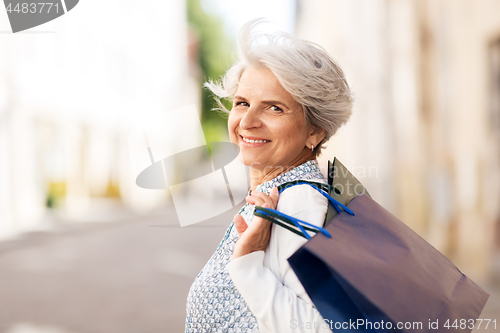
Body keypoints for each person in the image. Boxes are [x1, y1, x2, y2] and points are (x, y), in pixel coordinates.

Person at [185, 18, 353, 333]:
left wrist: (247, 266)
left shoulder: (300, 205)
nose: (247, 121)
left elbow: (324, 329)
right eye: (242, 103)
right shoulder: (278, 195)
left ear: (314, 130)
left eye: (273, 108)